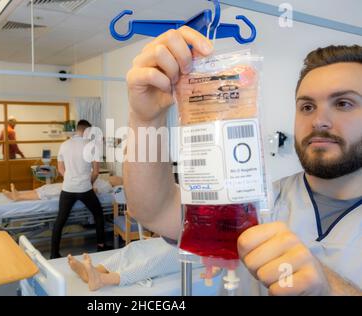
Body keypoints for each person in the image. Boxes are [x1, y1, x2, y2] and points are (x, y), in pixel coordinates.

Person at [124, 26, 361, 295]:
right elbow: (153, 211)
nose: (319, 120)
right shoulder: (259, 202)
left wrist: (331, 288)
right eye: (307, 107)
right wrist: (145, 118)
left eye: (343, 103)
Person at [67, 237, 220, 291]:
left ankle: (104, 279)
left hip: (198, 252)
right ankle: (95, 270)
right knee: (137, 246)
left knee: (157, 259)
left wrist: (212, 269)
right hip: (182, 239)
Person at [51, 120, 110, 258]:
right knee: (98, 215)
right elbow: (96, 172)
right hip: (85, 189)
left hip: (67, 188)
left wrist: (71, 179)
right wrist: (86, 183)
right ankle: (101, 247)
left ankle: (54, 254)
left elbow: (60, 168)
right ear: (87, 130)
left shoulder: (64, 145)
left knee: (60, 220)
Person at [1, 177, 118, 201]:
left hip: (73, 191)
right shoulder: (103, 180)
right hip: (71, 185)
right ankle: (18, 194)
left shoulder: (106, 186)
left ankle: (19, 197)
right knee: (46, 187)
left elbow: (94, 191)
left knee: (48, 192)